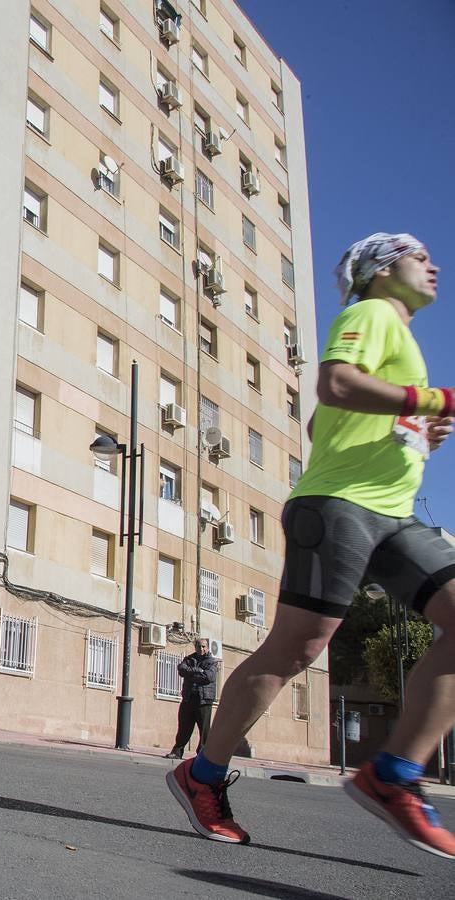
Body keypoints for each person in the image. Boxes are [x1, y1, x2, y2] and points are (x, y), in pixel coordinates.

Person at [167, 233, 455, 858]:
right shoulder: (371, 312)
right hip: (339, 508)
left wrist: (416, 433)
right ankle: (203, 775)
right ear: (381, 270)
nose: (432, 265)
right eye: (417, 255)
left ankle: (395, 775)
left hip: (393, 515)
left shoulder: (401, 338)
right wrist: (430, 401)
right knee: (295, 650)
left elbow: (325, 425)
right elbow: (334, 387)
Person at [163, 638, 218, 760]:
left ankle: (203, 755)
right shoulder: (189, 659)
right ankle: (177, 751)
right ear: (195, 647)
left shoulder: (211, 662)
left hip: (204, 700)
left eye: (203, 646)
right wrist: (198, 671)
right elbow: (182, 669)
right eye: (199, 646)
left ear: (208, 647)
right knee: (184, 727)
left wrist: (191, 674)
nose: (201, 649)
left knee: (204, 729)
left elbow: (209, 676)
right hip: (188, 698)